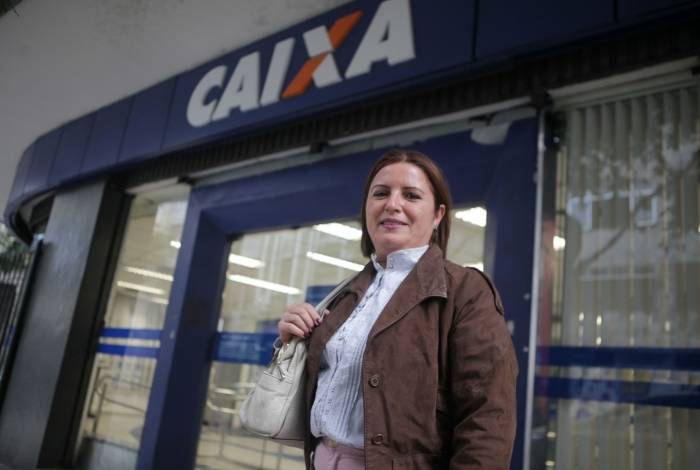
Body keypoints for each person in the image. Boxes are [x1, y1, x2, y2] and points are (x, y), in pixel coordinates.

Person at [277, 149, 518, 469]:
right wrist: (292, 340)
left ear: (437, 215)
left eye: (411, 195)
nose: (392, 204)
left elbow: (489, 418)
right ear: (366, 209)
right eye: (380, 193)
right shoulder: (346, 294)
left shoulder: (466, 291)